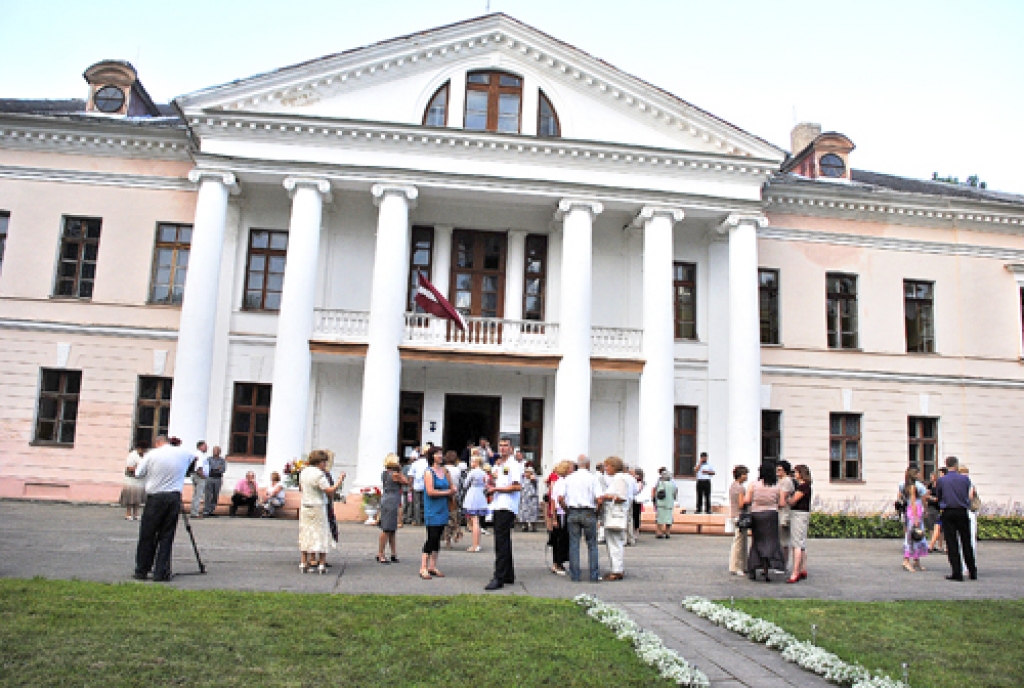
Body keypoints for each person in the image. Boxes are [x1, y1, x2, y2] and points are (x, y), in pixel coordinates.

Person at [133, 435, 193, 582]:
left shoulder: (152, 454)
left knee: (148, 534)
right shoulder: (184, 453)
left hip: (156, 497)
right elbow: (194, 462)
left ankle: (142, 569)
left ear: (158, 443)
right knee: (166, 535)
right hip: (174, 497)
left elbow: (138, 473)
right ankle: (161, 571)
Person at [558, 455, 605, 583]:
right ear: (588, 464)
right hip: (588, 511)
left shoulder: (569, 478)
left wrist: (567, 510)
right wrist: (597, 512)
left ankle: (575, 575)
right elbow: (600, 499)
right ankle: (594, 574)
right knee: (592, 544)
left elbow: (560, 498)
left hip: (573, 511)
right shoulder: (593, 478)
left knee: (574, 544)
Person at [484, 438, 522, 591]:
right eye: (501, 445)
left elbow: (517, 486)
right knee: (504, 540)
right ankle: (508, 574)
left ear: (511, 448)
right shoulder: (502, 465)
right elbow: (501, 482)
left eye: (506, 445)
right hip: (499, 504)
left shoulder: (513, 465)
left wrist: (496, 489)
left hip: (507, 506)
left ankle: (499, 577)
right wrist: (492, 485)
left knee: (501, 542)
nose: (503, 448)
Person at [298, 449, 343, 574]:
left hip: (305, 505)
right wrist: (340, 480)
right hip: (318, 506)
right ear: (319, 462)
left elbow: (301, 488)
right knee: (322, 533)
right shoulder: (319, 474)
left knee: (306, 532)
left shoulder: (304, 472)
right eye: (324, 462)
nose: (325, 464)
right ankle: (321, 564)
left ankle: (303, 562)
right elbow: (329, 490)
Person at [934, 456, 977, 582]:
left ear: (946, 465)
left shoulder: (942, 480)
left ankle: (957, 572)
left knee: (952, 543)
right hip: (962, 511)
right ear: (956, 465)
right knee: (966, 542)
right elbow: (967, 494)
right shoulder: (965, 479)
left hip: (948, 511)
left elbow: (939, 495)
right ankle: (972, 571)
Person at [746, 464, 786, 582]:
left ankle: (753, 568)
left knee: (757, 542)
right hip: (771, 515)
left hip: (757, 515)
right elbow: (782, 503)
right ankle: (766, 570)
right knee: (770, 543)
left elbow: (747, 500)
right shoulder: (777, 486)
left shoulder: (754, 484)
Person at [420, 447, 455, 580]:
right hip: (432, 509)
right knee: (432, 536)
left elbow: (451, 485)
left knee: (438, 536)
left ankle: (432, 566)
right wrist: (448, 492)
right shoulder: (428, 472)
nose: (440, 456)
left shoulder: (445, 471)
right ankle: (423, 567)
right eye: (437, 454)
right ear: (432, 456)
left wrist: (453, 489)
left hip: (443, 508)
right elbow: (430, 491)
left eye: (441, 453)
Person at [601, 456, 629, 581]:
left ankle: (617, 570)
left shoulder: (619, 479)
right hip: (614, 514)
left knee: (614, 543)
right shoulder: (618, 478)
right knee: (614, 542)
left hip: (615, 515)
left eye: (607, 466)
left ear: (614, 467)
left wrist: (606, 497)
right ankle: (616, 568)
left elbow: (621, 497)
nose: (606, 468)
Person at [377, 453, 407, 564]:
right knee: (387, 529)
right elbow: (406, 481)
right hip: (392, 501)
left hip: (387, 499)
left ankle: (393, 553)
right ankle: (381, 553)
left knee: (391, 529)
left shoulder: (385, 473)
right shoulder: (395, 474)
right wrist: (400, 470)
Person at [786, 465, 812, 583]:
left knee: (796, 544)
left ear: (801, 474)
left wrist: (787, 498)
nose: (794, 474)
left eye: (796, 472)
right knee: (802, 543)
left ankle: (795, 572)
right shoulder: (806, 486)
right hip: (803, 514)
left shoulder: (803, 487)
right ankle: (803, 568)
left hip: (798, 514)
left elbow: (793, 501)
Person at [547, 460, 573, 576]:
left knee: (562, 539)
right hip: (561, 512)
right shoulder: (561, 482)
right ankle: (557, 563)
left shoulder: (561, 481)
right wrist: (554, 518)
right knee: (560, 539)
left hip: (561, 513)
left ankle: (559, 562)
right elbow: (554, 500)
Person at [462, 453, 489, 552]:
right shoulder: (484, 473)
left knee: (474, 521)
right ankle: (477, 543)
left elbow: (465, 484)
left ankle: (475, 545)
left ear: (476, 462)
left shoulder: (472, 472)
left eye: (472, 461)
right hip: (481, 495)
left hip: (473, 494)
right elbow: (486, 485)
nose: (470, 463)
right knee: (477, 521)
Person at [901, 481, 929, 573]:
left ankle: (916, 560)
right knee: (911, 537)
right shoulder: (913, 486)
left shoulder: (906, 485)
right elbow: (913, 502)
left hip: (916, 511)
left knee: (918, 537)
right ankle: (906, 560)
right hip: (914, 512)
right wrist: (916, 517)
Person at [728, 465, 749, 576]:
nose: (746, 476)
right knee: (740, 543)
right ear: (740, 475)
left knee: (738, 541)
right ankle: (737, 566)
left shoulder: (733, 486)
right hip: (740, 515)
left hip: (734, 514)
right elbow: (741, 504)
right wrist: (748, 500)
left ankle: (739, 565)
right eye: (745, 474)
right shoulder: (740, 488)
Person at [959, 464, 979, 576]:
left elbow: (970, 497)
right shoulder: (969, 483)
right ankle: (969, 565)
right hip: (969, 511)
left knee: (963, 540)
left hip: (965, 511)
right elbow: (970, 497)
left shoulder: (964, 483)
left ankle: (965, 566)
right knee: (970, 540)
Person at [120, 442, 147, 520]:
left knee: (137, 498)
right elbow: (129, 468)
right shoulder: (132, 455)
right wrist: (137, 467)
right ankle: (128, 513)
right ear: (138, 448)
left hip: (140, 480)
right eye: (142, 449)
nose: (143, 451)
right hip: (131, 479)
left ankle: (136, 513)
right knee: (130, 498)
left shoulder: (145, 456)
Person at [776, 461, 795, 572]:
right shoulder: (781, 481)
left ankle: (783, 565)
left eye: (780, 470)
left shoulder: (787, 481)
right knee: (780, 540)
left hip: (784, 513)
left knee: (783, 541)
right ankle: (780, 563)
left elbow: (782, 501)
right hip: (780, 512)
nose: (777, 472)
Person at [443, 450, 464, 548]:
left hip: (444, 495)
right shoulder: (458, 470)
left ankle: (446, 537)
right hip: (455, 495)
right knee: (453, 517)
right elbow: (461, 483)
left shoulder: (442, 469)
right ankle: (453, 535)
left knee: (445, 517)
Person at [652, 468, 677, 539]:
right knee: (669, 519)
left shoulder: (660, 483)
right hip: (669, 503)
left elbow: (657, 492)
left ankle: (659, 532)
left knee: (660, 518)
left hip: (661, 503)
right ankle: (667, 532)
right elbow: (675, 493)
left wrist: (654, 499)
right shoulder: (672, 484)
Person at [925, 469, 946, 553]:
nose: (931, 478)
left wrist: (930, 497)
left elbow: (938, 498)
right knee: (932, 526)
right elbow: (926, 495)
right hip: (931, 507)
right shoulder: (930, 485)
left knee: (939, 528)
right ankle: (932, 545)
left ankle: (939, 545)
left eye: (932, 476)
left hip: (938, 508)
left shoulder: (940, 485)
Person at [203, 445, 226, 517]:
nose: (215, 452)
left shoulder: (222, 460)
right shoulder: (209, 459)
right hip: (210, 478)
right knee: (208, 495)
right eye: (214, 450)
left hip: (218, 478)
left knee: (215, 495)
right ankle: (206, 511)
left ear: (219, 452)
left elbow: (223, 469)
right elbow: (208, 468)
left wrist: (215, 469)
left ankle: (211, 510)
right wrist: (216, 468)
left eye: (217, 451)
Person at [408, 449, 429, 526]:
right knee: (426, 503)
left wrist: (410, 486)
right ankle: (425, 520)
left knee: (417, 504)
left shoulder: (415, 464)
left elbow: (411, 476)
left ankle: (418, 520)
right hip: (426, 486)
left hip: (416, 486)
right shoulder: (428, 463)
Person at [189, 440, 209, 518]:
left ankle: (194, 511)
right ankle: (195, 513)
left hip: (197, 475)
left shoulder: (199, 454)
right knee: (198, 495)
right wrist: (202, 475)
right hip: (199, 476)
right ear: (200, 447)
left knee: (196, 495)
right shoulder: (199, 454)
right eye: (205, 446)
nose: (207, 447)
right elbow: (199, 466)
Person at [518, 466, 540, 532]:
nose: (526, 473)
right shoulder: (523, 479)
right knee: (523, 512)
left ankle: (533, 527)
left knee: (533, 512)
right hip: (524, 497)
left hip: (532, 498)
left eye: (528, 472)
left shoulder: (534, 477)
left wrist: (532, 476)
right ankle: (525, 526)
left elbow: (534, 480)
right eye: (525, 472)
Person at [630, 468, 646, 544]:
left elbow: (637, 490)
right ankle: (633, 530)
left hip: (636, 501)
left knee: (636, 516)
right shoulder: (634, 481)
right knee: (633, 516)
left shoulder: (640, 482)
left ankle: (636, 530)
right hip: (633, 500)